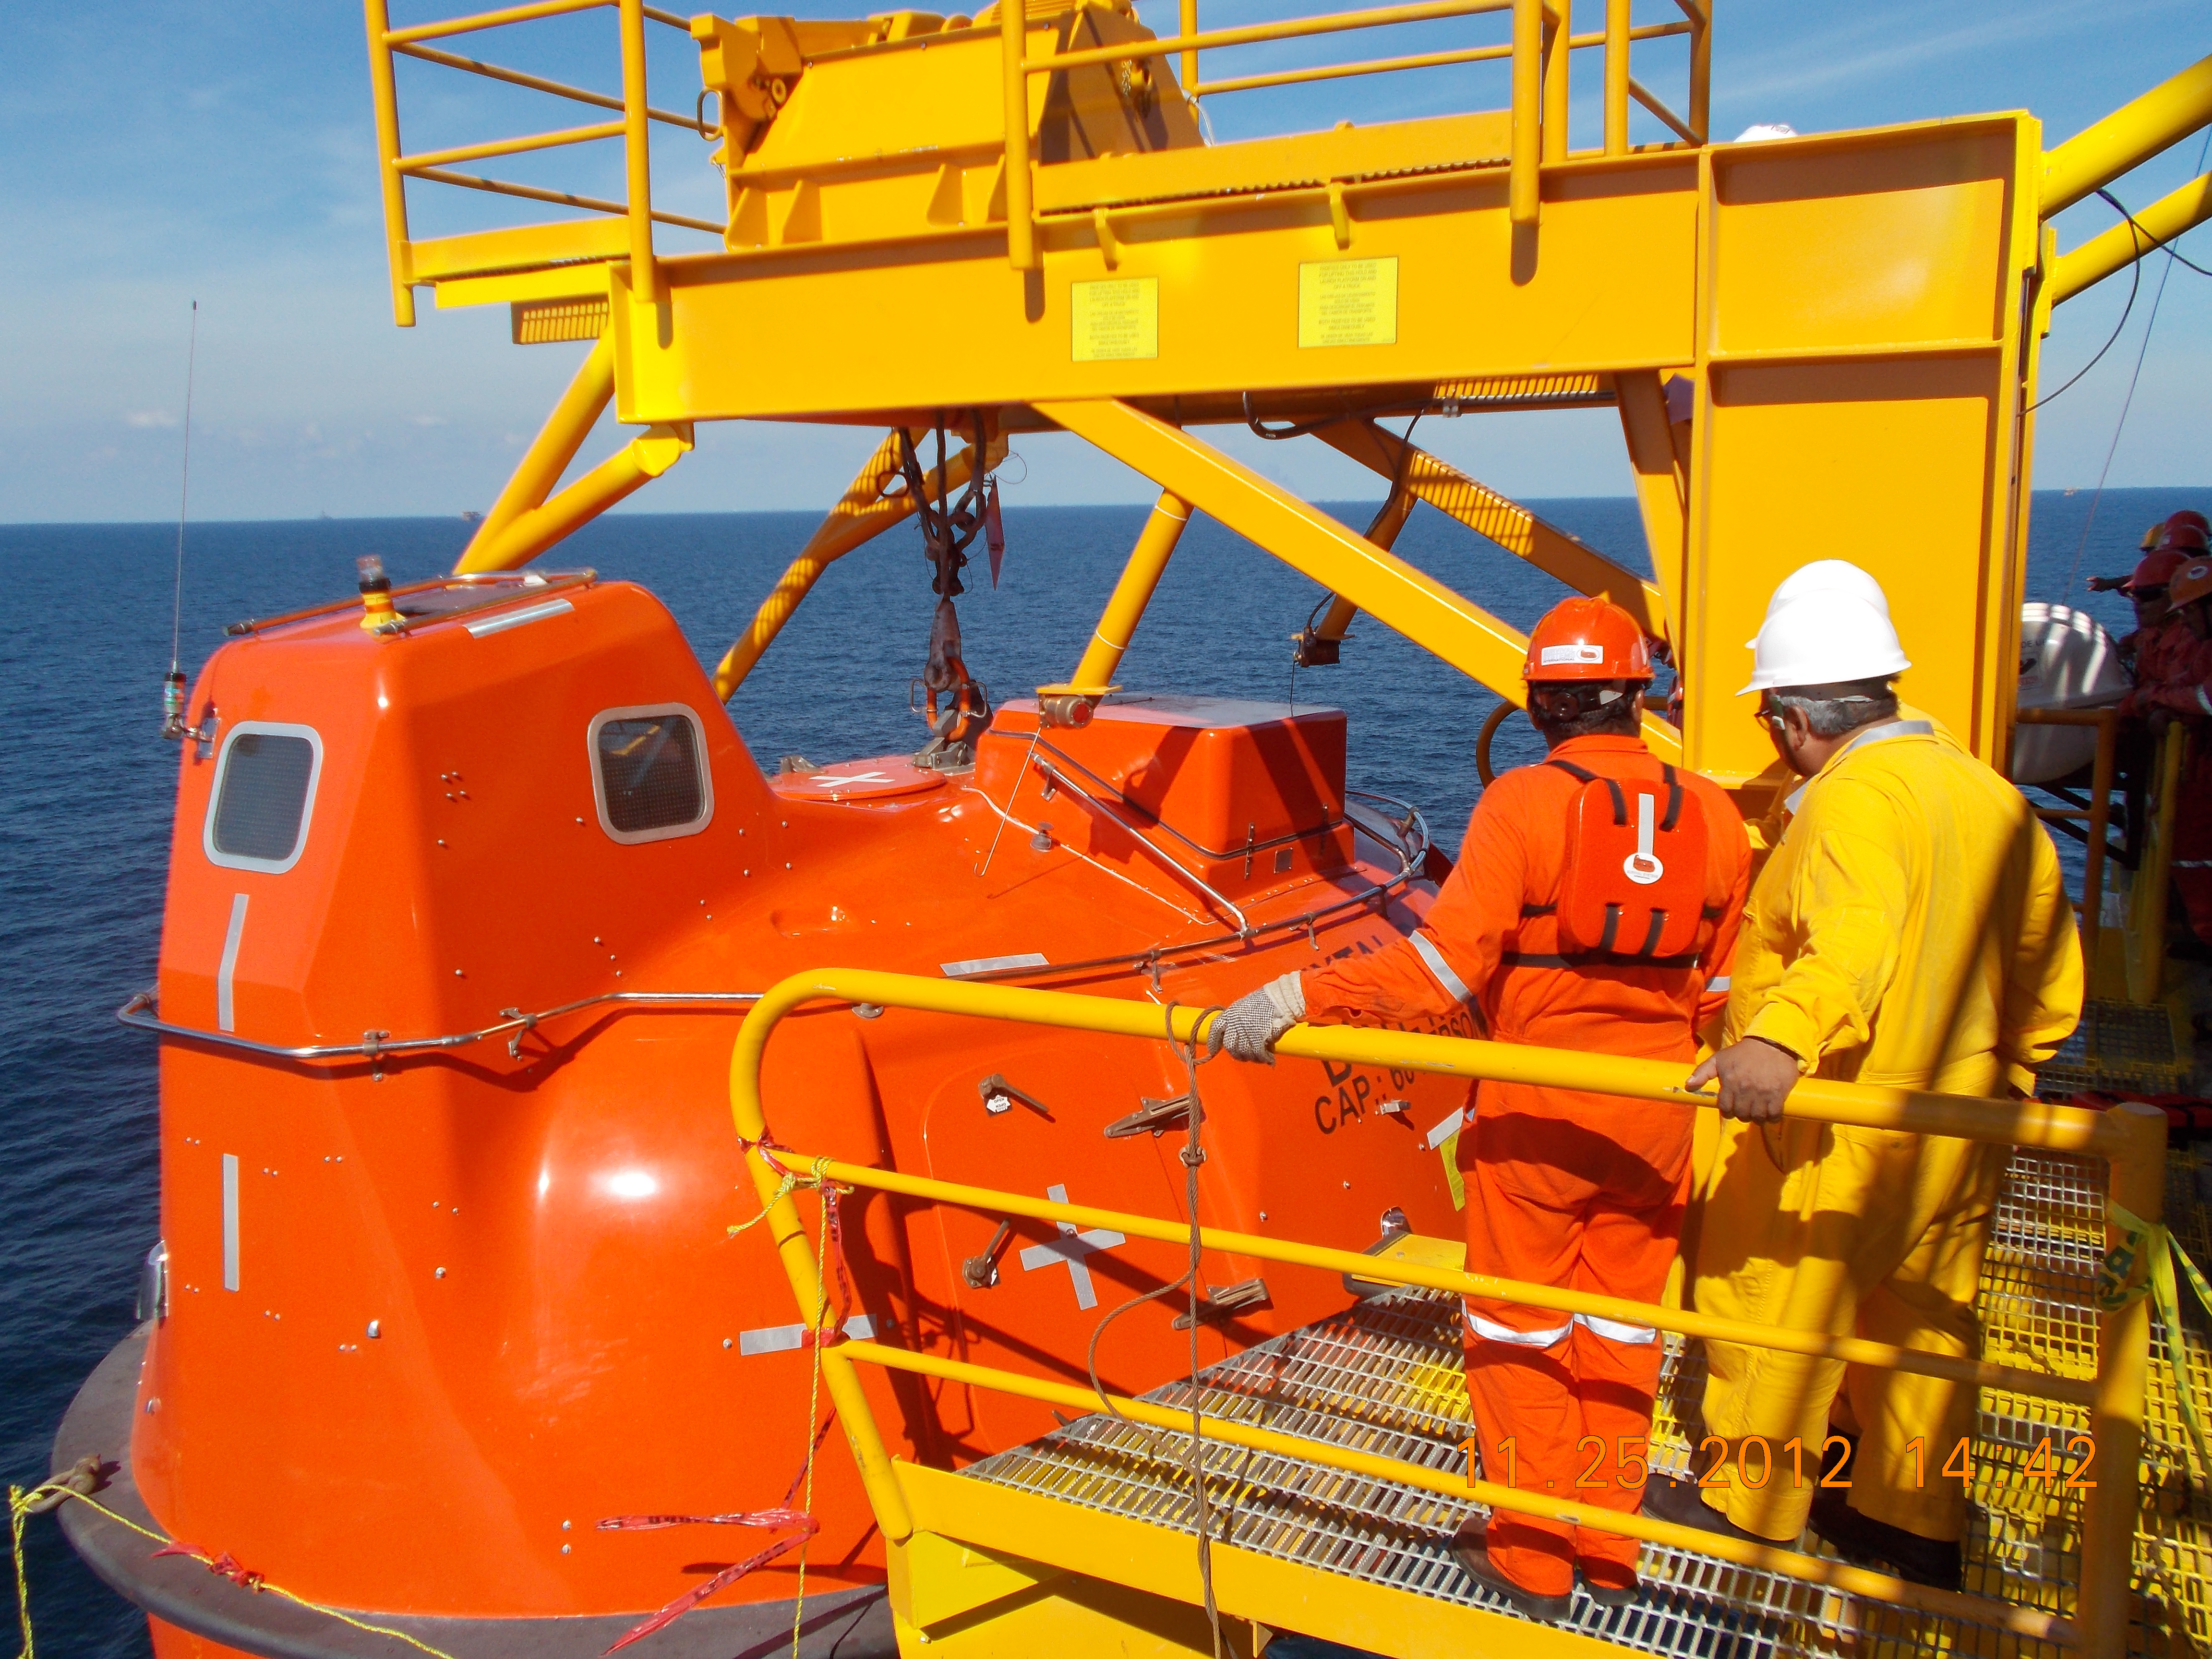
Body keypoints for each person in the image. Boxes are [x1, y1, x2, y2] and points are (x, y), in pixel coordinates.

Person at [1209, 597, 1751, 1618]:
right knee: (1624, 1331)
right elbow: (1721, 994)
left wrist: (1297, 998)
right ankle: (1610, 1541)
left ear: (1540, 703)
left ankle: (1533, 1554)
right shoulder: (1717, 814)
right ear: (1642, 696)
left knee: (1520, 1331)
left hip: (1537, 1117)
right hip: (1656, 1118)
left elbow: (1433, 977)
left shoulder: (1524, 804)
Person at [1653, 582, 2082, 1589]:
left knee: (1779, 1311)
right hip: (1961, 1113)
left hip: (1847, 1117)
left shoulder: (1852, 800)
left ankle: (1746, 1514)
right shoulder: (1987, 792)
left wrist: (1779, 1042)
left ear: (1797, 719)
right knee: (1924, 1326)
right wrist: (2010, 1069)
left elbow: (1853, 938)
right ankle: (1910, 1524)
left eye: (1770, 720)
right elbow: (2047, 965)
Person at [2123, 540, 2212, 950]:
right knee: (2187, 853)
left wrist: (2153, 701)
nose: (2188, 619)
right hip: (2195, 766)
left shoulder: (2195, 645)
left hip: (2200, 767)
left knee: (2194, 855)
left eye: (2191, 610)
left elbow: (2202, 697)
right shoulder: (2195, 644)